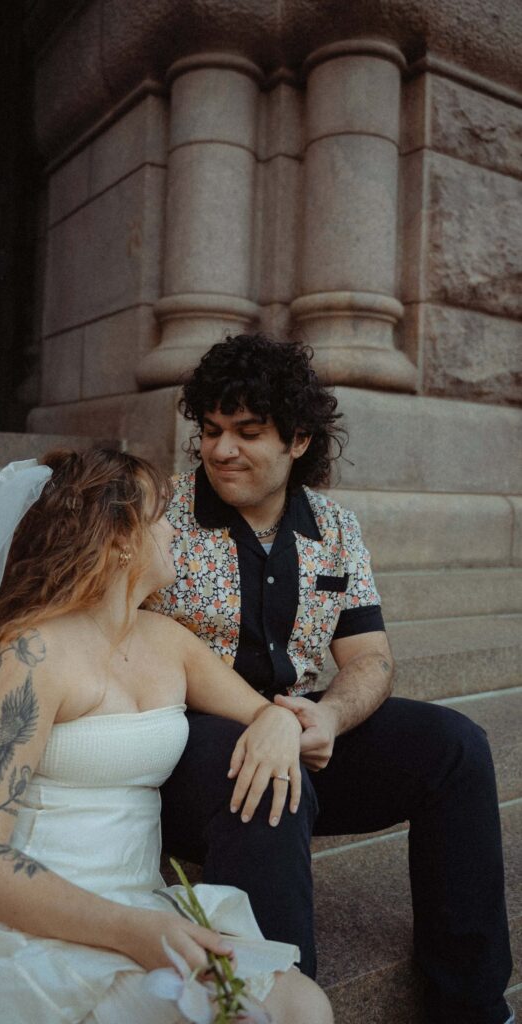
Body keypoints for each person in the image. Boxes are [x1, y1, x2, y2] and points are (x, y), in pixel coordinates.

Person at [0, 447, 333, 1024]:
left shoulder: (167, 641)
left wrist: (275, 721)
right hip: (32, 917)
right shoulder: (24, 658)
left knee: (305, 1005)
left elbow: (267, 712)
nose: (175, 529)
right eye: (159, 516)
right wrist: (132, 931)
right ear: (120, 537)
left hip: (138, 901)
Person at [148, 333, 514, 1024]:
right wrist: (266, 728)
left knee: (457, 748)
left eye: (248, 432)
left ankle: (471, 1005)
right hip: (187, 746)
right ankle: (282, 1009)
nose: (222, 450)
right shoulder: (160, 515)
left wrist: (326, 718)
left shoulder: (336, 529)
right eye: (212, 430)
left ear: (299, 440)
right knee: (262, 778)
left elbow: (370, 657)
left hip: (303, 724)